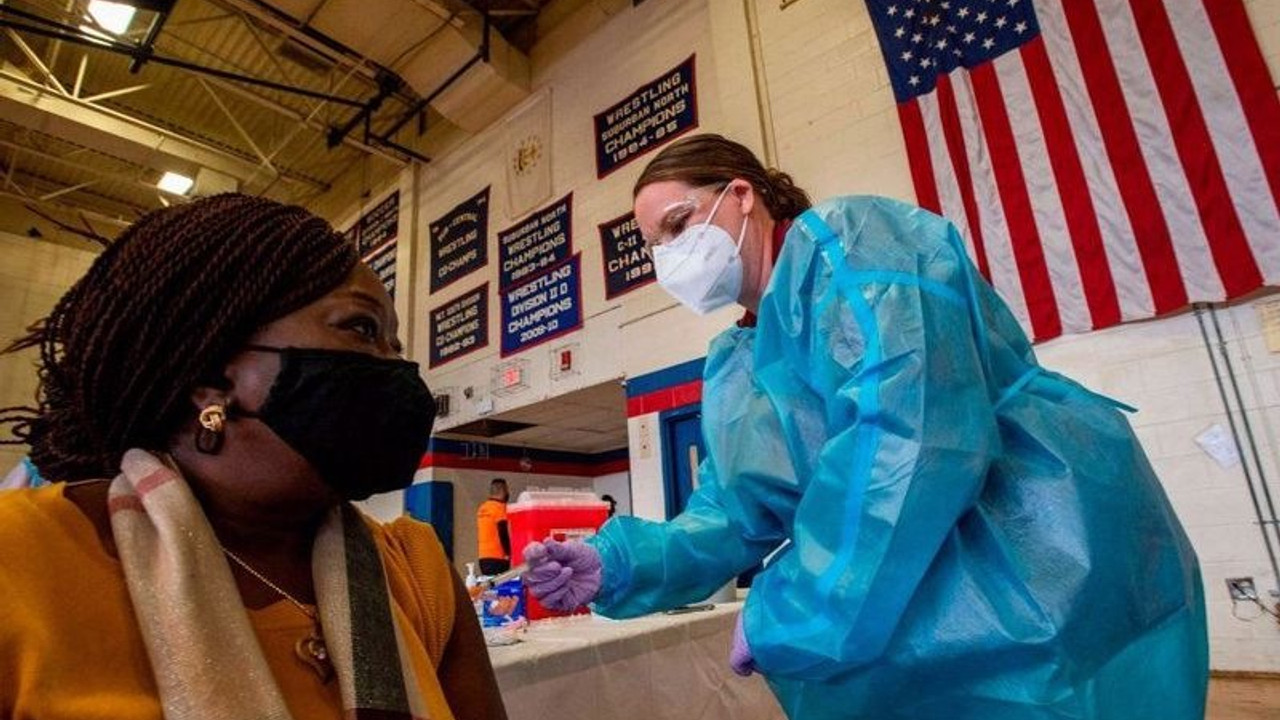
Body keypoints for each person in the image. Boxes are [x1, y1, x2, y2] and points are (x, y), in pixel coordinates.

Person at [522, 134, 1207, 719]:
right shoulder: (738, 363)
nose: (667, 256)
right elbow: (734, 512)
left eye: (677, 224)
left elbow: (910, 436)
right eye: (652, 246)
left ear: (740, 195)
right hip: (908, 594)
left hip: (1040, 550)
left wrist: (794, 610)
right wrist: (621, 561)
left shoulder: (851, 246)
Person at [0, 194, 507, 720]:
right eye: (362, 329)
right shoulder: (19, 563)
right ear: (210, 377)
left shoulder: (417, 573)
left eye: (395, 347)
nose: (396, 370)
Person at [476, 478, 511, 575]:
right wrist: (508, 553)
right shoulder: (499, 507)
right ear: (503, 490)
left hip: (483, 557)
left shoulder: (482, 508)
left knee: (490, 588)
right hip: (498, 557)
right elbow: (502, 531)